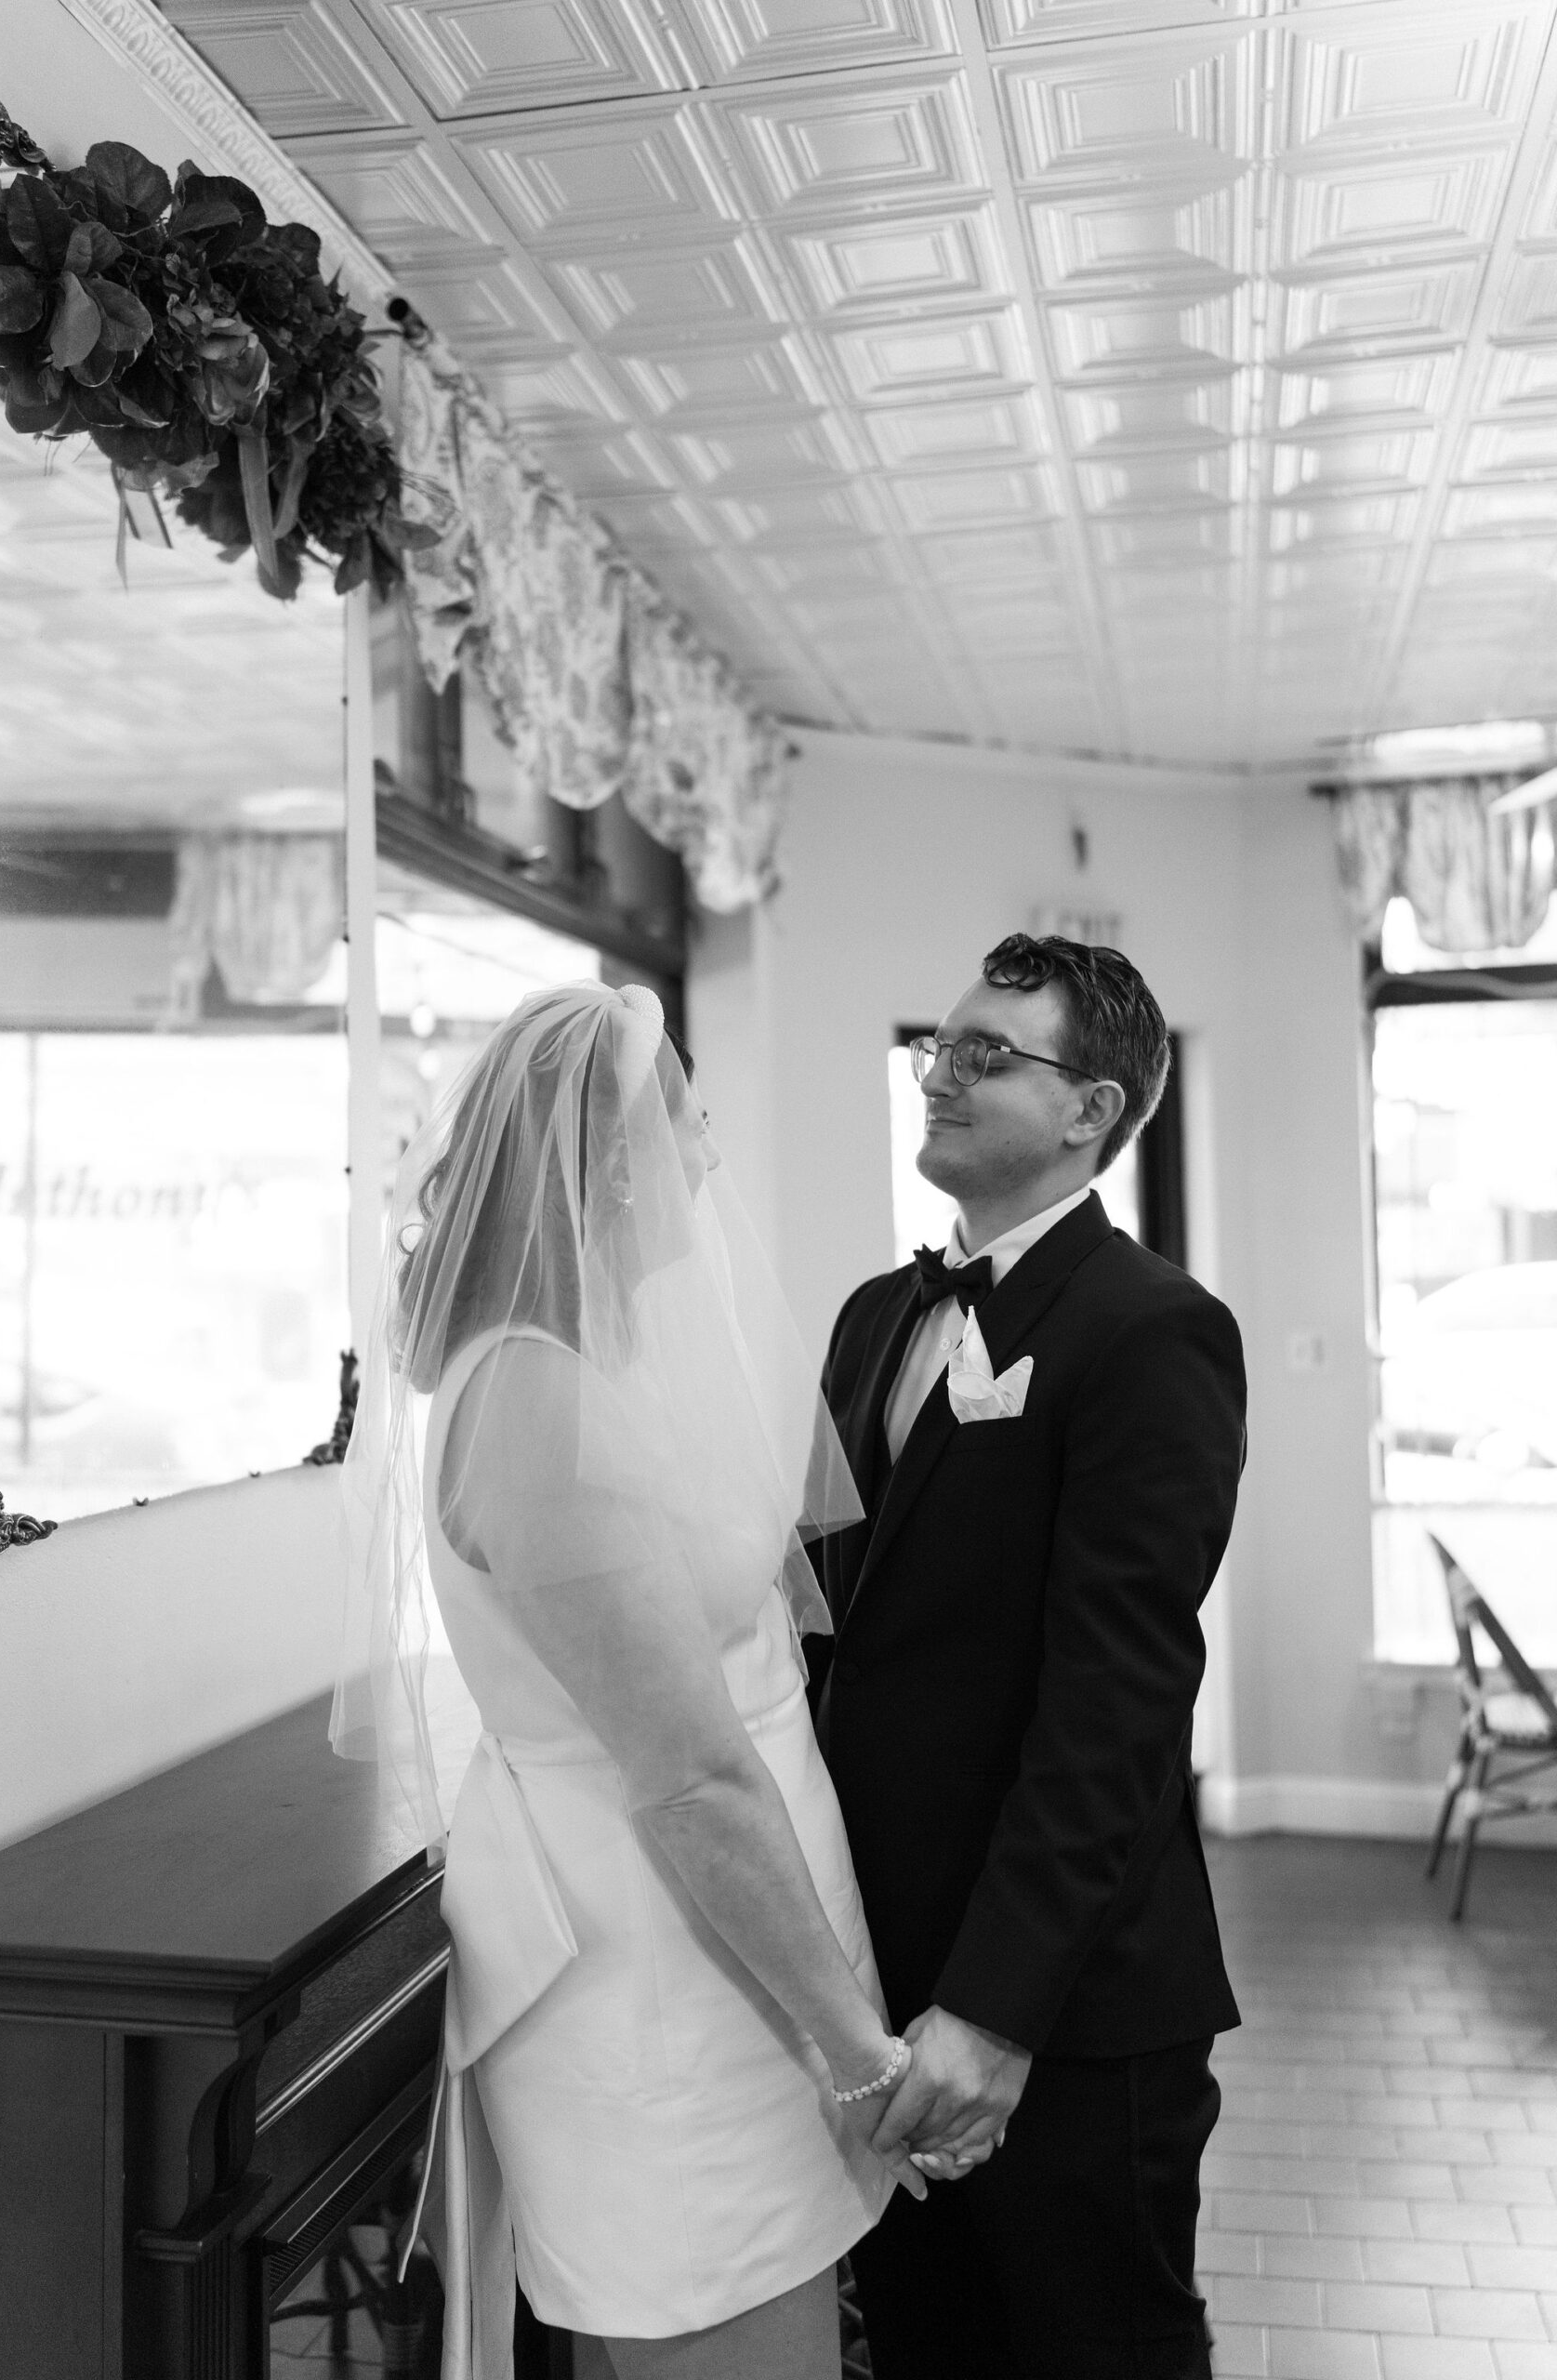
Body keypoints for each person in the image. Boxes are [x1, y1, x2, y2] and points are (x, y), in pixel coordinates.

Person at [335, 981, 925, 2380]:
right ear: (608, 1165)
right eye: (692, 1128)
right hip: (670, 1999)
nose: (708, 1163)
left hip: (724, 1972)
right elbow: (691, 1774)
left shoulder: (591, 1366)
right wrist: (856, 2049)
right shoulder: (537, 1403)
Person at [812, 933, 1247, 2380]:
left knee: (1093, 2348)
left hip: (1062, 2002)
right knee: (931, 2348)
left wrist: (994, 2012)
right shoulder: (877, 1319)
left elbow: (1116, 1705)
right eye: (941, 1048)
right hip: (877, 1968)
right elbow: (834, 1625)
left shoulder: (1154, 1332)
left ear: (1091, 1112)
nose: (942, 1073)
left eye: (990, 1056)